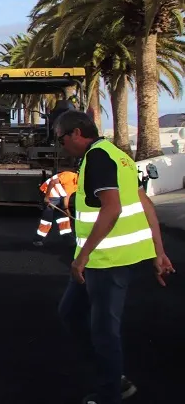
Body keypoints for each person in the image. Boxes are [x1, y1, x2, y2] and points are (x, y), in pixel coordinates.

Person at [54, 110, 175, 404]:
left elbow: (113, 208)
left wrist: (81, 258)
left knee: (104, 329)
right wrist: (158, 252)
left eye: (61, 139)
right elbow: (144, 203)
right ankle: (111, 374)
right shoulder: (118, 156)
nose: (61, 146)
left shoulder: (98, 158)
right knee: (70, 313)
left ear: (76, 134)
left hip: (108, 262)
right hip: (105, 260)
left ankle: (111, 392)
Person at [33, 169, 78, 247]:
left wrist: (66, 209)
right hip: (48, 193)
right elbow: (52, 182)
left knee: (64, 218)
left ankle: (69, 240)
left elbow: (66, 196)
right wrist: (46, 197)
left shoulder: (77, 185)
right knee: (47, 219)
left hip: (59, 196)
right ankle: (38, 240)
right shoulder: (69, 175)